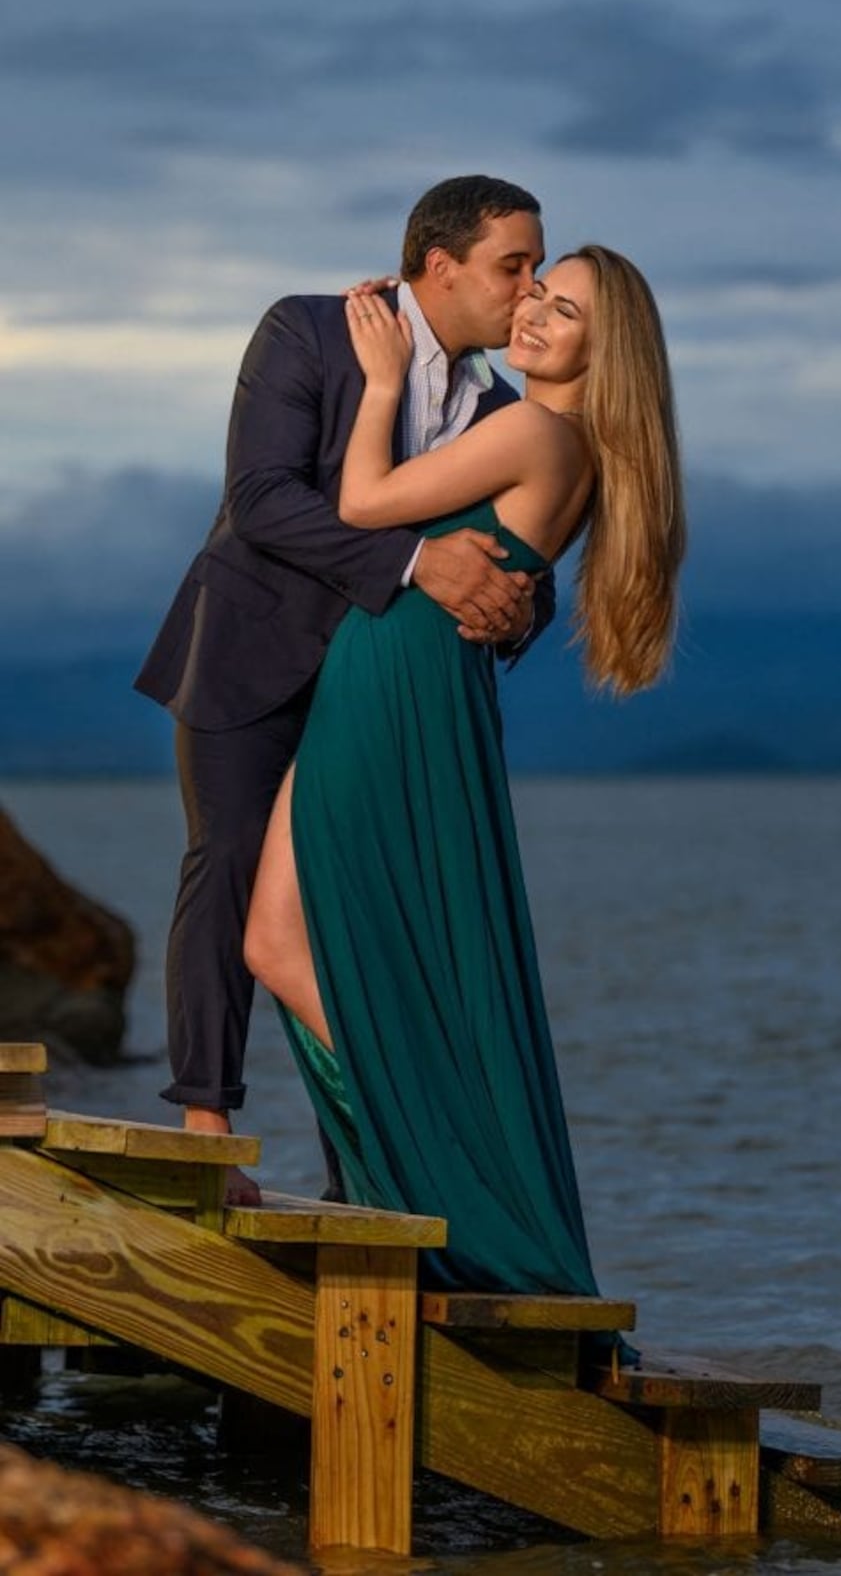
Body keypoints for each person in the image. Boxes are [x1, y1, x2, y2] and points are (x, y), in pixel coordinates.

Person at [243, 246, 685, 1301]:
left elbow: (362, 504)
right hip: (409, 674)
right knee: (286, 937)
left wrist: (386, 381)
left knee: (278, 936)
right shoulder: (554, 439)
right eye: (534, 291)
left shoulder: (534, 431)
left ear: (603, 346)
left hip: (397, 678)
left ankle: (436, 1167)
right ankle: (427, 1157)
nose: (533, 313)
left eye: (563, 309)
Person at [135, 178, 551, 1198]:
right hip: (246, 650)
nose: (530, 289)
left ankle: (359, 1171)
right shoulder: (308, 331)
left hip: (375, 692)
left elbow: (513, 558)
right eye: (515, 265)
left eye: (540, 267)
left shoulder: (504, 409)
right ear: (440, 265)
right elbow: (263, 500)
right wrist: (419, 566)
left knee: (350, 911)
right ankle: (205, 1130)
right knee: (226, 867)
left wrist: (515, 608)